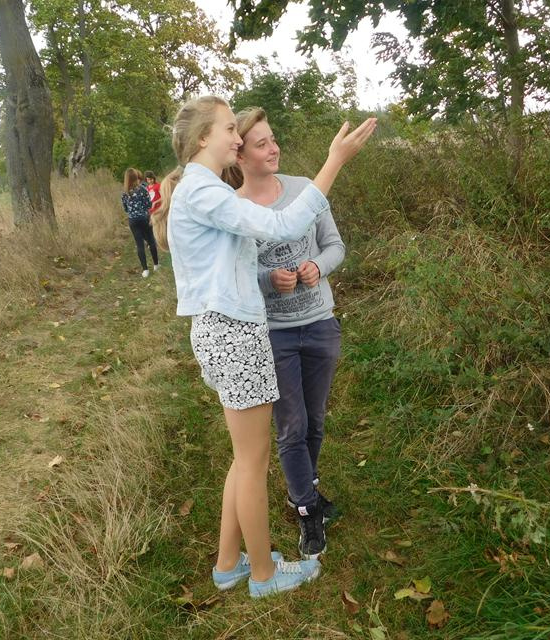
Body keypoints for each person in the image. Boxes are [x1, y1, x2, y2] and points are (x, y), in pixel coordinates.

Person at [151, 95, 375, 598]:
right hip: (233, 334)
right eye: (229, 129)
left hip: (227, 331)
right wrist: (335, 161)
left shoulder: (204, 189)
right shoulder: (203, 191)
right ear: (203, 138)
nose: (237, 136)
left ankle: (228, 564)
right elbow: (283, 226)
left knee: (242, 458)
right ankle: (263, 575)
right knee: (252, 462)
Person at [229, 107, 345, 560]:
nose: (274, 149)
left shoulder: (304, 190)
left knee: (315, 421)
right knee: (291, 426)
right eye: (262, 144)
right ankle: (306, 509)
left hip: (319, 324)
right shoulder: (234, 209)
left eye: (273, 139)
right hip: (274, 334)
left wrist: (318, 266)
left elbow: (335, 245)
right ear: (240, 155)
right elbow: (235, 273)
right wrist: (267, 280)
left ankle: (305, 488)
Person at [121, 168, 160, 278]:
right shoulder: (142, 189)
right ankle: (156, 264)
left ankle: (145, 270)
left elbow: (125, 208)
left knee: (139, 244)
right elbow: (149, 204)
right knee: (151, 240)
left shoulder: (124, 193)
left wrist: (132, 212)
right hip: (144, 218)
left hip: (132, 220)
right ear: (136, 177)